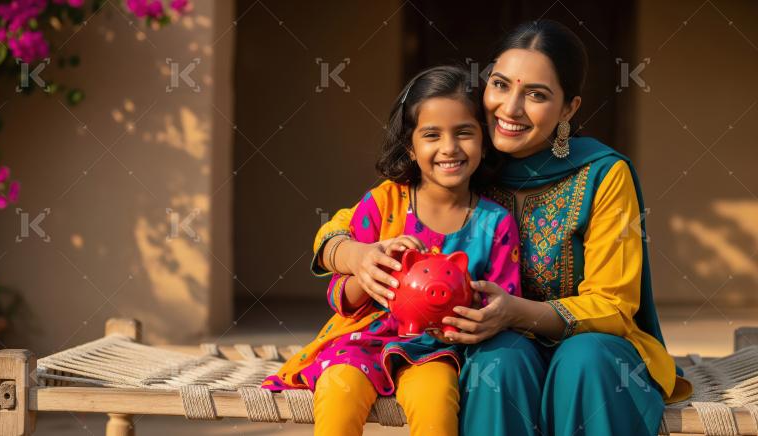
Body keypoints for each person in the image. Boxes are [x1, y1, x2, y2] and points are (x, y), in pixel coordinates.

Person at [312, 20, 693, 436]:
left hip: (592, 350)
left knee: (583, 359)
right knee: (498, 361)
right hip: (502, 347)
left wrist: (517, 312)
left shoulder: (603, 175)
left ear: (568, 109)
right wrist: (356, 256)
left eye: (536, 95)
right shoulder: (464, 159)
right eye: (500, 85)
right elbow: (344, 227)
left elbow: (614, 306)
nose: (510, 109)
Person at [263, 65, 522, 436]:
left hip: (437, 350)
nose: (449, 148)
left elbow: (502, 302)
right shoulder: (384, 203)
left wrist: (469, 322)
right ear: (410, 147)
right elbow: (340, 296)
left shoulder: (494, 224)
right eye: (432, 135)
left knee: (437, 400)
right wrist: (371, 271)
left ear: (483, 139)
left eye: (464, 132)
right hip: (361, 342)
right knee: (339, 392)